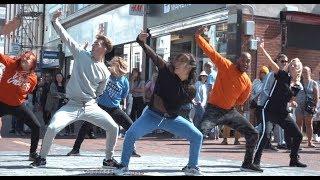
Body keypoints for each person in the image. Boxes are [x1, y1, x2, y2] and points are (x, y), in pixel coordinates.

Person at [30, 10, 119, 168]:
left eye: (96, 43)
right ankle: (42, 158)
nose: (92, 44)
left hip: (91, 106)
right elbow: (66, 37)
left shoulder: (105, 71)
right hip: (71, 105)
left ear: (104, 48)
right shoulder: (80, 54)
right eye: (93, 43)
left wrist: (90, 100)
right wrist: (55, 20)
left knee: (113, 127)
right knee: (52, 127)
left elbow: (100, 92)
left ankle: (108, 159)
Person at [114, 31, 203, 176]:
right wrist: (141, 42)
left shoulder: (191, 89)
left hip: (171, 119)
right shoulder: (166, 70)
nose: (176, 62)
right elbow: (153, 56)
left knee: (197, 136)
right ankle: (123, 166)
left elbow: (179, 105)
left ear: (189, 67)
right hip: (151, 115)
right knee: (130, 134)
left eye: (181, 61)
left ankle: (192, 167)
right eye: (177, 59)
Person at [195, 26, 261, 172]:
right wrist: (198, 36)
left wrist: (230, 102)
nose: (246, 63)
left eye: (248, 62)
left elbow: (241, 101)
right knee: (199, 134)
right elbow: (211, 52)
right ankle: (192, 164)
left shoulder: (247, 82)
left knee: (253, 133)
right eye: (244, 60)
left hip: (230, 112)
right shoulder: (226, 65)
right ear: (238, 60)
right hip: (213, 110)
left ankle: (247, 163)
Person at [66, 56, 141, 158]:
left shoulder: (124, 81)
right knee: (86, 126)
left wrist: (121, 105)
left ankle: (131, 149)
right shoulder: (107, 75)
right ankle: (76, 149)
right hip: (99, 106)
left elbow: (124, 95)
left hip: (114, 108)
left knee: (130, 126)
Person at [253, 41, 307, 169]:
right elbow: (271, 62)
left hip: (282, 113)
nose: (292, 66)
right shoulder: (283, 75)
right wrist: (261, 48)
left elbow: (290, 98)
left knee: (298, 135)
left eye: (295, 66)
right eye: (291, 64)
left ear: (299, 70)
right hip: (268, 110)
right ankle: (255, 161)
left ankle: (293, 160)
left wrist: (292, 102)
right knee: (265, 134)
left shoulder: (298, 85)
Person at [0, 50, 40, 160]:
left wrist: (24, 88)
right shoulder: (12, 63)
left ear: (33, 63)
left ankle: (32, 154)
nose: (24, 60)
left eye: (28, 59)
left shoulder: (33, 78)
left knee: (36, 126)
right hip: (1, 101)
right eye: (23, 58)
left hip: (17, 105)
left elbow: (28, 91)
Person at [295, 66, 319, 147]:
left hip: (309, 106)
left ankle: (309, 141)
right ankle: (298, 140)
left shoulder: (313, 83)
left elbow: (316, 96)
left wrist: (315, 106)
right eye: (303, 72)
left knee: (309, 124)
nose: (304, 73)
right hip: (299, 105)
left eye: (306, 72)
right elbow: (294, 93)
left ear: (310, 73)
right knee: (298, 123)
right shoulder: (298, 82)